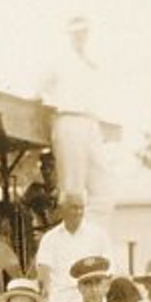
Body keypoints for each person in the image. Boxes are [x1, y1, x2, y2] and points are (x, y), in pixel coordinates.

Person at [38, 16, 107, 226]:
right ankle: (70, 242)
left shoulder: (91, 62)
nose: (80, 37)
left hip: (91, 122)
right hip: (68, 118)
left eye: (83, 32)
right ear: (68, 35)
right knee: (72, 189)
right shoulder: (58, 60)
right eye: (75, 33)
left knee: (103, 188)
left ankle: (92, 238)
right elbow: (39, 89)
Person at [34, 190, 114, 302]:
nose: (79, 212)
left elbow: (109, 272)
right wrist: (44, 300)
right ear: (61, 209)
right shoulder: (49, 239)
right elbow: (43, 275)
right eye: (74, 207)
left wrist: (97, 295)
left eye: (81, 208)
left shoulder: (98, 235)